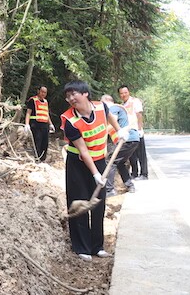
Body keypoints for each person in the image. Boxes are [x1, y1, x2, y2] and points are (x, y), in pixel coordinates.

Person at [60, 80, 128, 262]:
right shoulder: (70, 121)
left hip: (99, 160)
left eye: (74, 94)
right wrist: (96, 174)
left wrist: (120, 131)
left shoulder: (101, 107)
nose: (71, 98)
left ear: (85, 94)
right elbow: (83, 151)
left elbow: (110, 119)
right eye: (68, 96)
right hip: (78, 165)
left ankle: (97, 246)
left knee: (98, 203)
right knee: (80, 201)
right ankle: (81, 247)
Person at [100, 95, 138, 197]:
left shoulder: (113, 108)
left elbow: (113, 120)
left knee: (110, 161)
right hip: (133, 139)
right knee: (120, 162)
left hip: (126, 139)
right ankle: (130, 185)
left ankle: (109, 190)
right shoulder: (120, 108)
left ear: (107, 101)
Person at [118, 85, 148, 180]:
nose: (123, 95)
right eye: (121, 93)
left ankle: (144, 174)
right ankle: (134, 173)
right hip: (128, 132)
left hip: (136, 130)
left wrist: (140, 129)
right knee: (131, 154)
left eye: (125, 92)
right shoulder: (122, 105)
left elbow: (139, 115)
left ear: (129, 92)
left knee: (141, 153)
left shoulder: (135, 101)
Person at [24, 86, 56, 161]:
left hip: (45, 125)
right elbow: (28, 113)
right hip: (36, 124)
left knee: (45, 143)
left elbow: (46, 114)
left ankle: (42, 159)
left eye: (45, 92)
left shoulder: (45, 102)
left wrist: (51, 124)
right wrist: (27, 124)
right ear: (39, 91)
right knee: (37, 142)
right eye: (42, 92)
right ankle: (36, 158)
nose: (43, 94)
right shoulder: (33, 100)